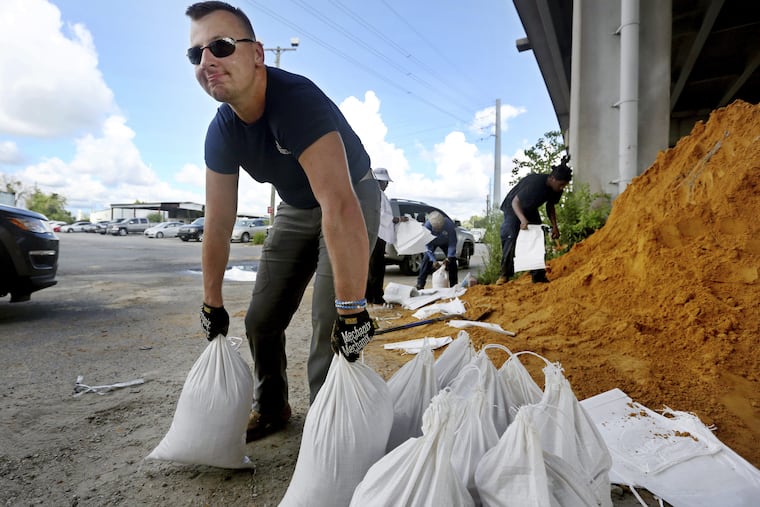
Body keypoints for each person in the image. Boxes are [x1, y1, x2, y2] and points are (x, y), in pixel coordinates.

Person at [186, 1, 381, 442]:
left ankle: (332, 436)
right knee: (261, 319)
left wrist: (352, 311)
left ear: (256, 53)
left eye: (219, 45)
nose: (207, 61)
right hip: (296, 207)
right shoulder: (222, 131)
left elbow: (339, 204)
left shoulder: (296, 102)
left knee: (330, 323)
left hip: (351, 194)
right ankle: (272, 407)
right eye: (195, 54)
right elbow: (217, 224)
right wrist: (211, 302)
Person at [498, 157, 572, 284]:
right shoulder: (535, 183)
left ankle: (538, 276)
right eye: (561, 185)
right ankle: (504, 275)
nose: (561, 188)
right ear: (553, 179)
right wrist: (522, 220)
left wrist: (555, 226)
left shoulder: (556, 189)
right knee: (510, 234)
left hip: (530, 209)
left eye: (564, 186)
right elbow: (515, 202)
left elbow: (550, 206)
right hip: (513, 207)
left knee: (537, 236)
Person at [365, 168, 406, 305]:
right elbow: (382, 215)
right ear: (379, 182)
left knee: (373, 266)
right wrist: (397, 219)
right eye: (385, 182)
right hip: (377, 235)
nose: (387, 185)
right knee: (376, 267)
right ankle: (375, 296)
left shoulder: (378, 194)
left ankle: (370, 295)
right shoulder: (377, 195)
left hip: (377, 235)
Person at [416, 211, 458, 290]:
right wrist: (433, 260)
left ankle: (454, 285)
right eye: (436, 229)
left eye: (440, 228)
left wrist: (449, 257)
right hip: (432, 242)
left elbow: (452, 242)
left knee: (452, 262)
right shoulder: (427, 226)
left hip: (445, 242)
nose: (437, 231)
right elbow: (427, 245)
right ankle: (420, 284)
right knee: (426, 260)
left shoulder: (449, 225)